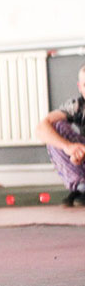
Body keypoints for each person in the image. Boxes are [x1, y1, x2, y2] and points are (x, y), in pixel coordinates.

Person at [36, 64, 85, 206]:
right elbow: (41, 128)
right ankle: (81, 187)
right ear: (80, 87)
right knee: (54, 127)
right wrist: (69, 147)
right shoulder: (77, 106)